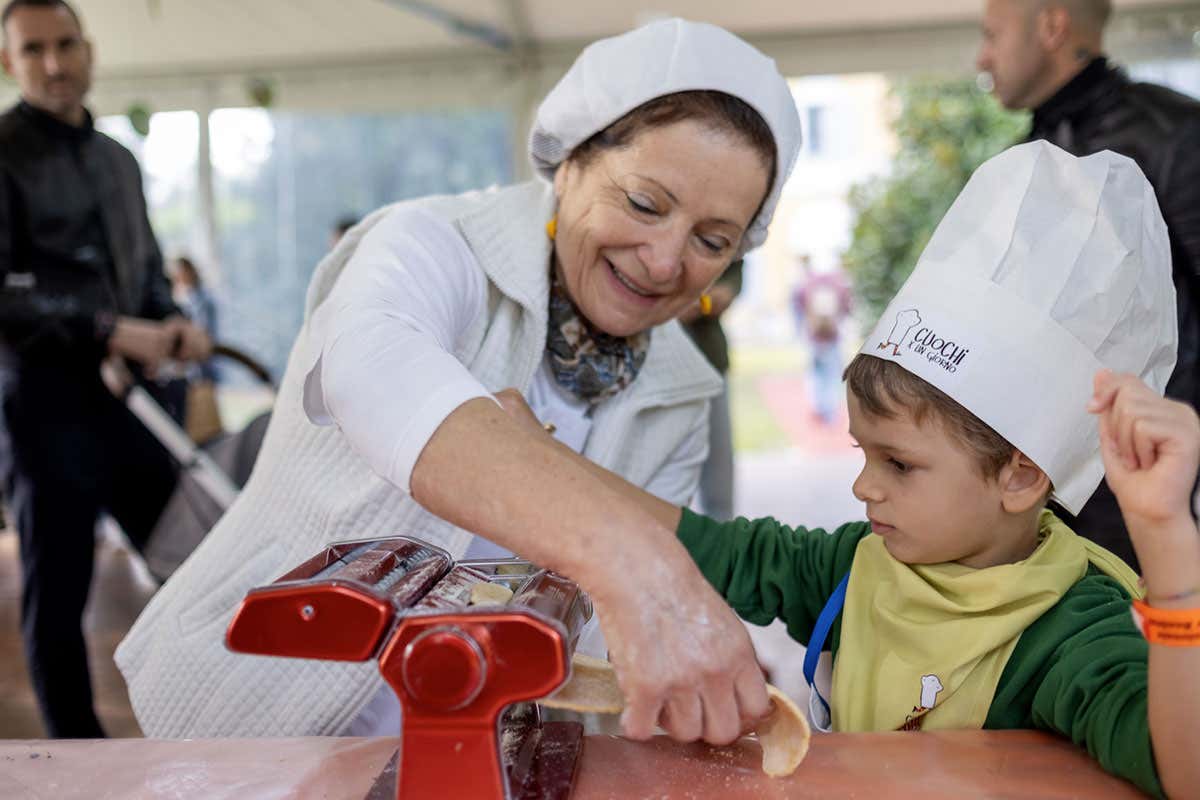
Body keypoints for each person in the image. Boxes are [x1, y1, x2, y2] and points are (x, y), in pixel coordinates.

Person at [114, 18, 803, 743]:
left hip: (477, 748)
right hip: (252, 724)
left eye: (711, 240)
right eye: (644, 203)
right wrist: (634, 559)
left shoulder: (681, 393)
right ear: (570, 162)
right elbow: (373, 370)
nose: (666, 262)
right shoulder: (432, 245)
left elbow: (598, 645)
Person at [498, 142, 1193, 797]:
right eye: (866, 452)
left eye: (900, 463)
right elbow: (700, 548)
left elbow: (1181, 770)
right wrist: (541, 463)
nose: (864, 486)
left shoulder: (1071, 627)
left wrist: (1166, 540)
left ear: (1019, 475)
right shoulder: (858, 566)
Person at [0, 0, 210, 737]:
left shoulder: (118, 160)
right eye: (34, 50)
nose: (54, 63)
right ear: (9, 63)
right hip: (44, 416)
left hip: (135, 411)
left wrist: (172, 322)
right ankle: (74, 767)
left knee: (196, 570)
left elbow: (145, 271)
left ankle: (209, 728)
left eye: (66, 45)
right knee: (58, 602)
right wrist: (109, 329)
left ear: (89, 51)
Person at [976, 0, 1200, 570]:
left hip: (1147, 479)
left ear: (1052, 27)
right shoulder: (1023, 160)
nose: (982, 57)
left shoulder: (1176, 134)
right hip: (1043, 484)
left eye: (992, 36)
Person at [678, 260, 743, 521]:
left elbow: (722, 295)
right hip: (648, 362)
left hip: (708, 357)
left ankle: (722, 549)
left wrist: (689, 304)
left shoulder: (731, 252)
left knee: (718, 468)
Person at [792, 256, 853, 426]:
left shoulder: (806, 282)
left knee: (816, 372)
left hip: (813, 336)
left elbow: (798, 306)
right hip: (834, 335)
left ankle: (819, 406)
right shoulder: (840, 282)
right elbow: (848, 307)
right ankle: (830, 412)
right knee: (833, 373)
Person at [169, 255, 218, 382]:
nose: (177, 276)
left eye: (179, 271)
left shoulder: (202, 298)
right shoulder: (188, 297)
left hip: (203, 358)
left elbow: (202, 330)